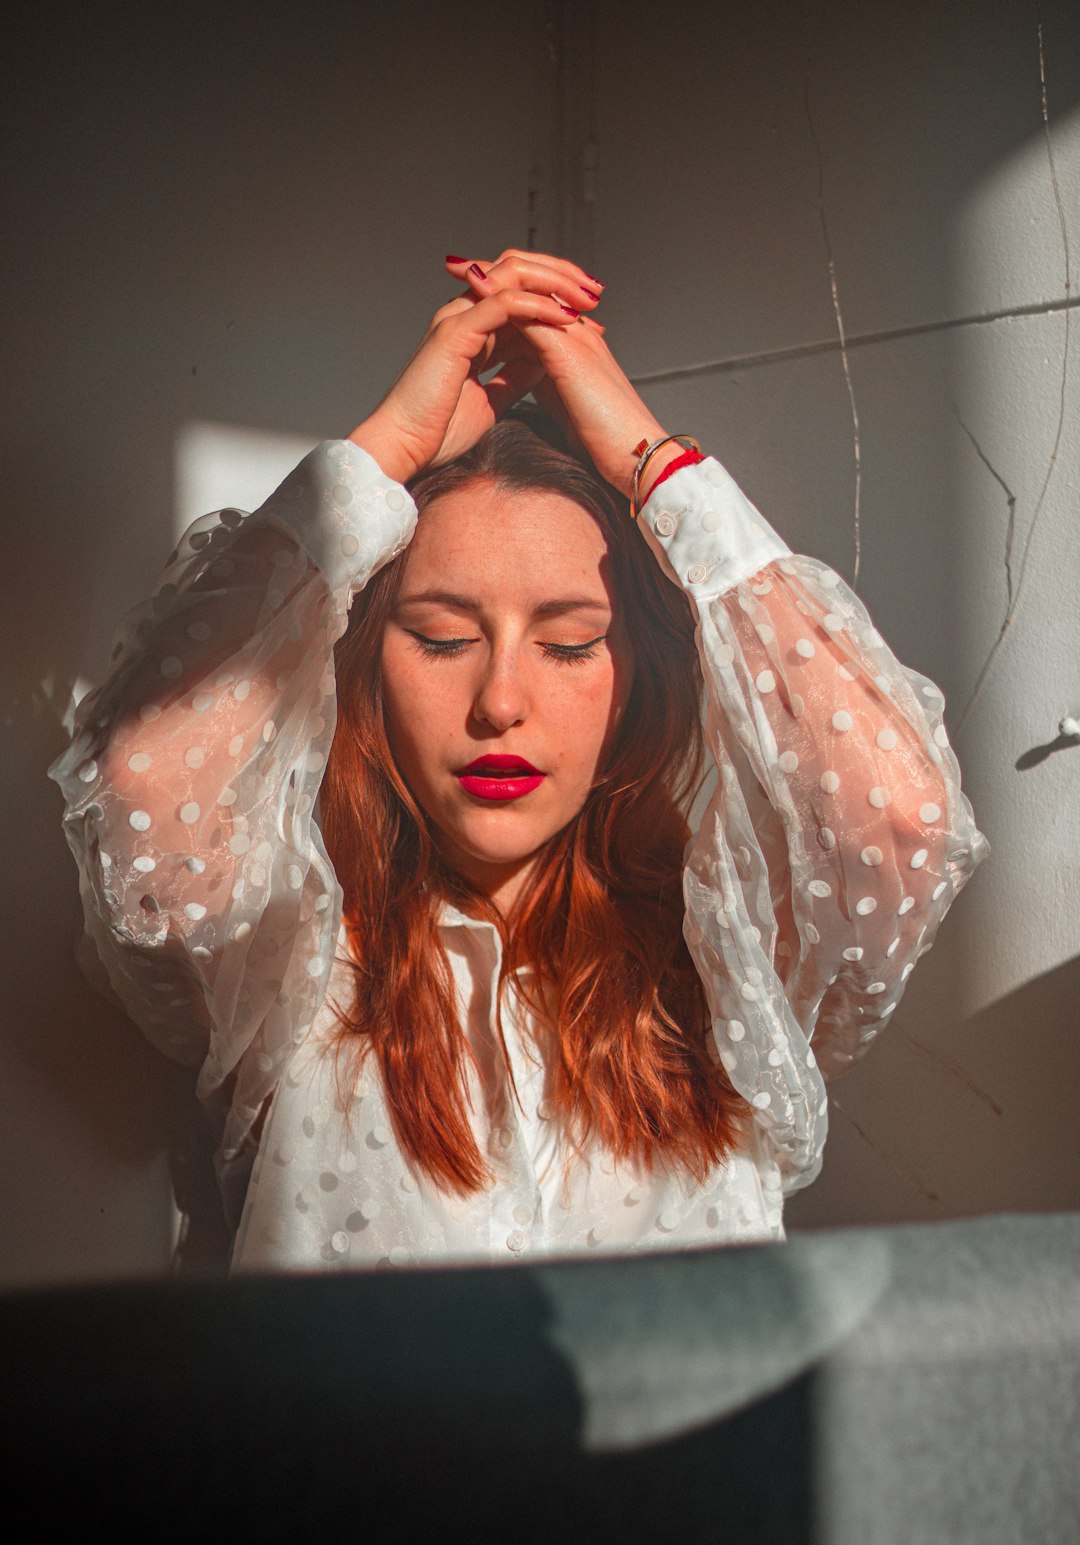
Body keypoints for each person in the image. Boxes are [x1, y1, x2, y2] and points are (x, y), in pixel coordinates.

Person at [49, 248, 988, 1270]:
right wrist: (377, 460)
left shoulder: (733, 968)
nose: (501, 701)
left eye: (571, 644)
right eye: (444, 639)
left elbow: (899, 816)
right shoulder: (285, 965)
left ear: (637, 678)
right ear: (366, 672)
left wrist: (650, 460)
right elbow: (143, 780)